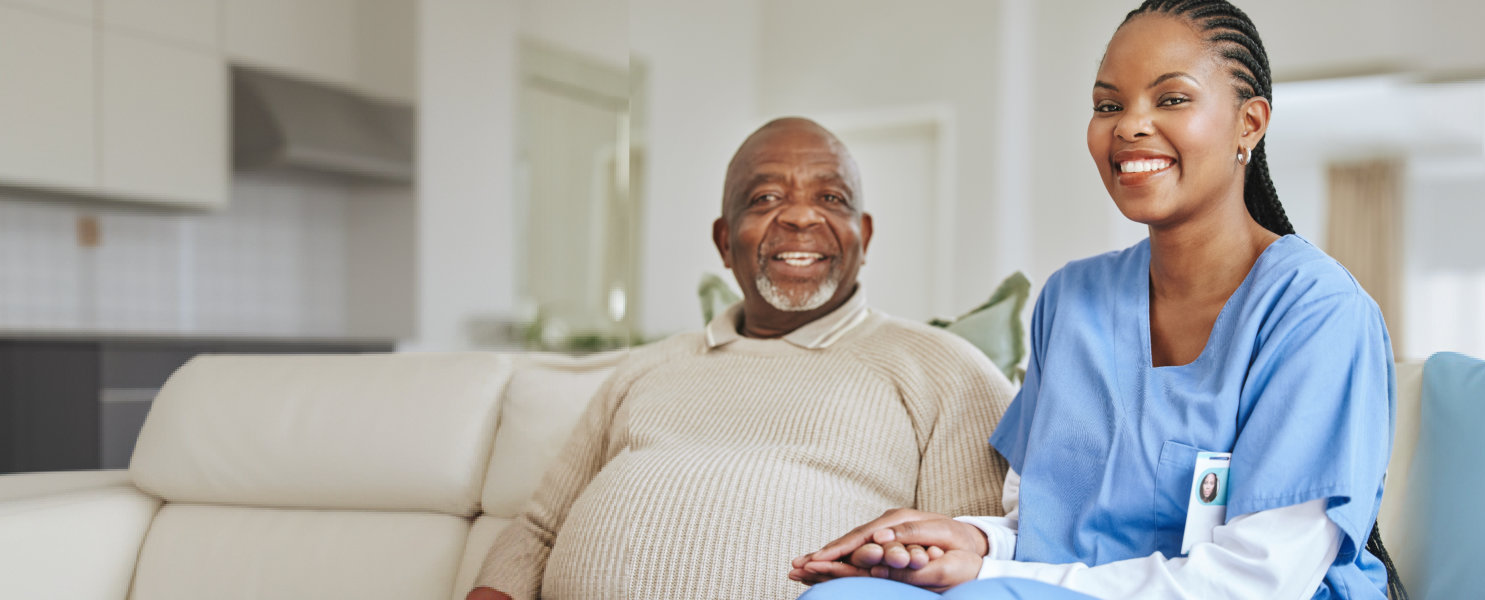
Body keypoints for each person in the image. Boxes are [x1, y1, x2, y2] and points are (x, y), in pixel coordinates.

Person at [787, 1, 1405, 598]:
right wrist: (970, 543)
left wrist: (993, 583)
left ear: (1250, 123)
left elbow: (1254, 583)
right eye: (1108, 104)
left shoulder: (1317, 313)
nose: (1130, 125)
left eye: (1172, 98)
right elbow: (1053, 535)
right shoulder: (1071, 300)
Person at [467, 117, 1013, 600]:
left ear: (862, 236)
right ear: (725, 241)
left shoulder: (944, 368)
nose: (801, 217)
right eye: (765, 198)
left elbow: (978, 557)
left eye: (831, 199)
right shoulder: (646, 367)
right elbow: (538, 530)